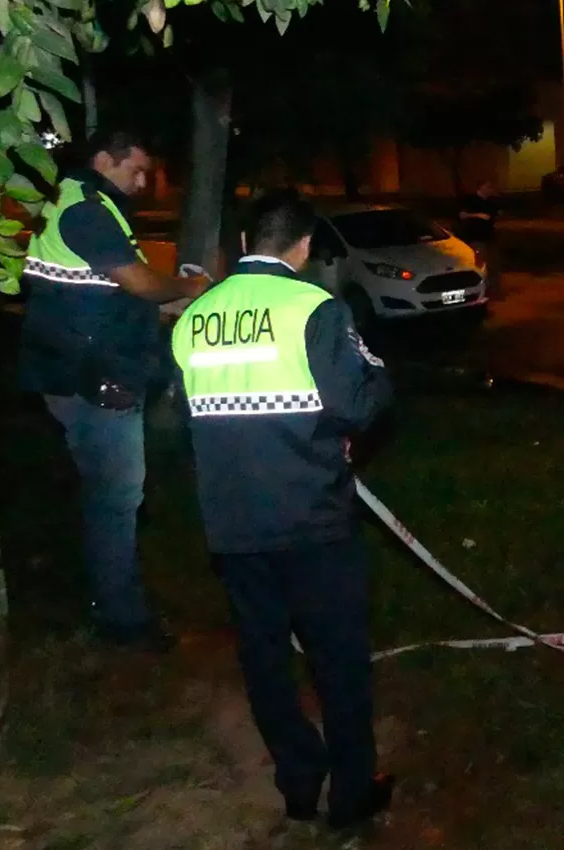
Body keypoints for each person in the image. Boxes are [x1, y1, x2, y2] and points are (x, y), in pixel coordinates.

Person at [170, 189, 395, 831]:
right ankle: (352, 794)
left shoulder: (195, 317)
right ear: (302, 247)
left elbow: (199, 414)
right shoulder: (312, 308)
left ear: (245, 244)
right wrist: (372, 377)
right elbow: (355, 402)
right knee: (339, 660)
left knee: (264, 660)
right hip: (312, 519)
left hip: (232, 525)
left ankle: (298, 782)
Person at [20, 126, 209, 653]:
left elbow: (100, 288)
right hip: (94, 376)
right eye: (137, 169)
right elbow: (138, 282)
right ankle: (122, 618)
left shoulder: (78, 201)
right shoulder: (85, 207)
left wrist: (156, 305)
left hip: (71, 369)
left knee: (106, 491)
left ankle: (107, 586)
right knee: (117, 497)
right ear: (105, 159)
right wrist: (187, 287)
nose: (144, 180)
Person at [457, 179, 501, 300]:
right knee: (481, 265)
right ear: (480, 187)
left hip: (490, 237)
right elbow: (462, 215)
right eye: (487, 187)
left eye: (490, 187)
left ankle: (494, 292)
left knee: (494, 265)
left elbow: (493, 217)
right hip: (476, 238)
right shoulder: (471, 200)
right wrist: (478, 215)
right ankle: (481, 292)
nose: (489, 189)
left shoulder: (491, 202)